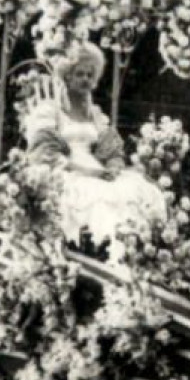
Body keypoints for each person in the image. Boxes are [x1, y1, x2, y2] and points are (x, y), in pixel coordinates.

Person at [24, 44, 165, 244]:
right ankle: (105, 245)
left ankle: (130, 244)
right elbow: (45, 152)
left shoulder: (95, 115)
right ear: (67, 77)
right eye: (79, 74)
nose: (85, 79)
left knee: (139, 190)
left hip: (95, 167)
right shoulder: (51, 111)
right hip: (65, 169)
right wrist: (88, 172)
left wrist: (111, 167)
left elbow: (110, 150)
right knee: (99, 197)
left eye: (90, 75)